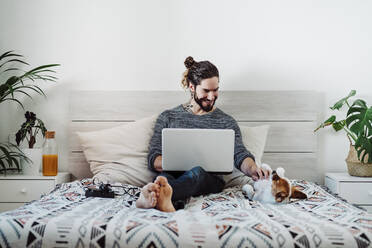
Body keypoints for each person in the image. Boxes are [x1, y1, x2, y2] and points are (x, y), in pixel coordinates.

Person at [136, 56, 270, 212]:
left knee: (197, 173)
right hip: (174, 175)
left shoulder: (226, 121)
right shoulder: (168, 117)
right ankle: (168, 201)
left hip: (208, 179)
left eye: (216, 90)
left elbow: (240, 154)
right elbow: (154, 158)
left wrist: (253, 169)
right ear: (192, 87)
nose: (212, 96)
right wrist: (178, 161)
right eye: (206, 90)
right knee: (162, 179)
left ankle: (154, 196)